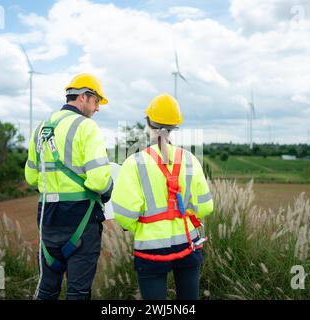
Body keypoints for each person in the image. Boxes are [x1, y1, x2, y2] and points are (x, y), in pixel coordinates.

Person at [111, 93, 213, 300]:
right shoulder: (190, 159)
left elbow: (124, 215)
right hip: (188, 244)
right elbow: (205, 207)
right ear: (175, 127)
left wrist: (142, 227)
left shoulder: (134, 163)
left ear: (148, 123)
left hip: (151, 249)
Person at [25, 73, 113, 300]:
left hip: (47, 218)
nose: (97, 109)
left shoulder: (41, 128)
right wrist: (108, 189)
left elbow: (31, 177)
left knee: (46, 289)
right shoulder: (87, 127)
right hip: (81, 219)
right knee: (78, 292)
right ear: (83, 97)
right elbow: (100, 180)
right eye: (96, 102)